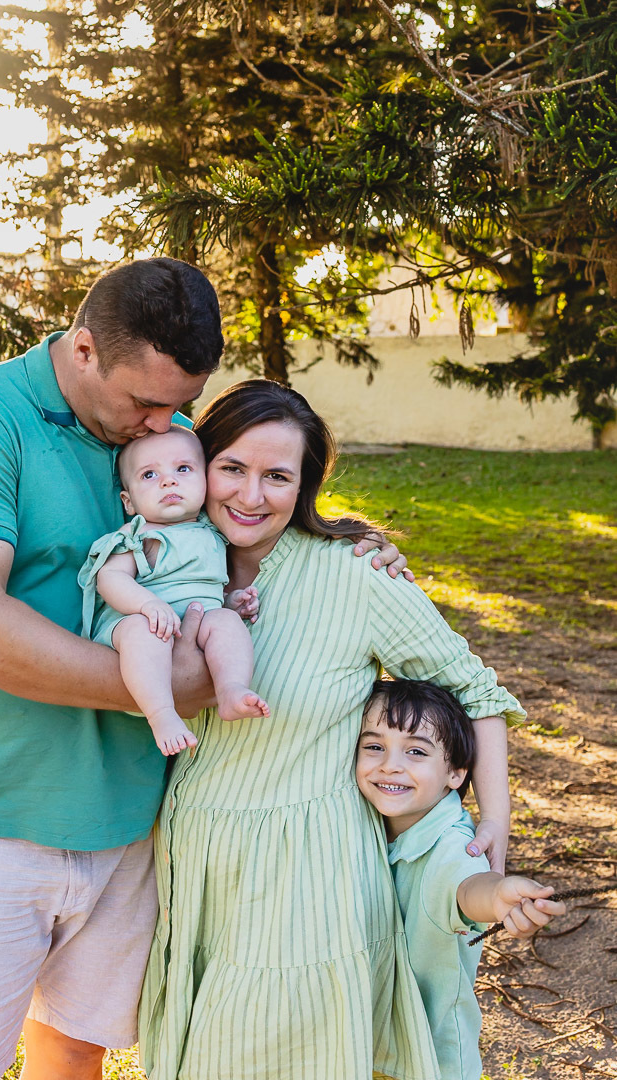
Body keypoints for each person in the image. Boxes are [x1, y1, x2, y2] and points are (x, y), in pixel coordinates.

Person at [0, 258, 407, 1080]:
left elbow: (249, 517)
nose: (165, 424)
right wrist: (165, 689)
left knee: (72, 1056)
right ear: (85, 348)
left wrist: (348, 543)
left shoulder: (159, 425)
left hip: (133, 821)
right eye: (146, 403)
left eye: (180, 404)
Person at [138, 378, 526, 1080]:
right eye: (232, 468)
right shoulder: (160, 560)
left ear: (304, 485)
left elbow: (474, 687)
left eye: (277, 477)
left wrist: (494, 814)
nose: (250, 496)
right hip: (195, 865)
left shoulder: (353, 574)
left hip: (305, 875)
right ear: (199, 464)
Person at [355, 679, 565, 1080]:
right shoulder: (362, 821)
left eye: (416, 751)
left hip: (426, 1057)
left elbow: (467, 888)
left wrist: (498, 894)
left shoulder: (452, 845)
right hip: (365, 1041)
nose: (390, 765)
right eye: (374, 746)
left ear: (455, 772)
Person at [79, 426, 268, 756]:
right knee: (144, 631)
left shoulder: (211, 532)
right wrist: (147, 604)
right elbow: (110, 578)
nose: (169, 481)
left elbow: (201, 592)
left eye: (183, 469)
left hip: (191, 633)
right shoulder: (137, 534)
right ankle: (161, 714)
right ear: (129, 501)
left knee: (225, 622)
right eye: (150, 474)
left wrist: (229, 603)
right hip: (138, 632)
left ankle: (231, 689)